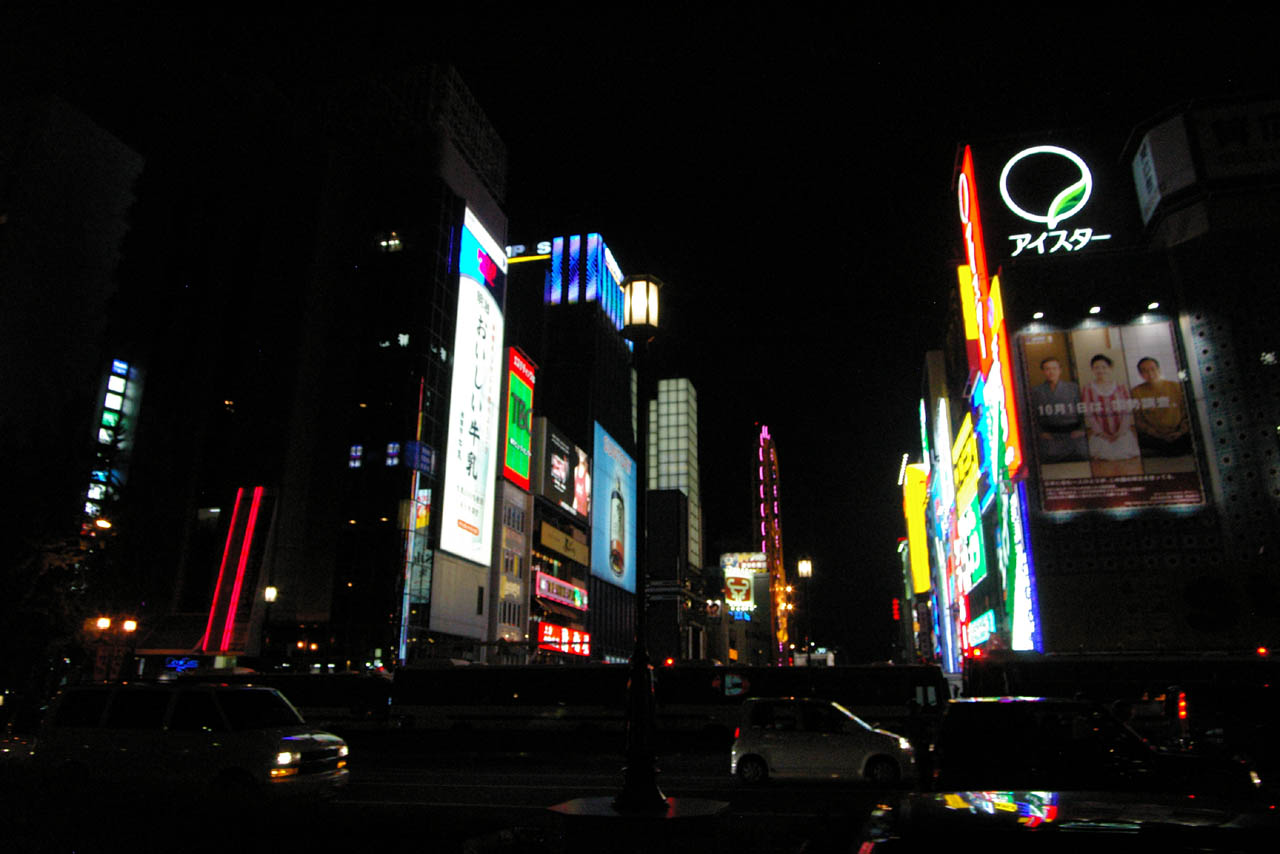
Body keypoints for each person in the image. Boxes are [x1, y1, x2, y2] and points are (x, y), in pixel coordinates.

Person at [1082, 354, 1141, 474]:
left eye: (1104, 367)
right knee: (1104, 457)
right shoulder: (1088, 388)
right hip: (1101, 434)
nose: (1100, 370)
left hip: (1121, 432)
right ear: (1092, 369)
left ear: (1110, 368)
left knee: (1124, 455)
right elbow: (1089, 413)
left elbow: (1127, 410)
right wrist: (1101, 433)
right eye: (1097, 367)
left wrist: (1121, 432)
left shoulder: (1120, 386)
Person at [1029, 357, 1088, 462]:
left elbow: (1084, 411)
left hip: (1073, 433)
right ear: (1043, 371)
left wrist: (1082, 430)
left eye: (1054, 368)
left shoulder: (1073, 388)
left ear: (1060, 370)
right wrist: (1040, 432)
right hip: (1049, 435)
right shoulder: (1036, 391)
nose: (1051, 372)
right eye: (1047, 369)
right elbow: (1033, 415)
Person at [1131, 357, 1192, 456]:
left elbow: (1187, 412)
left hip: (1178, 432)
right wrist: (1157, 434)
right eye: (1145, 371)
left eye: (1152, 369)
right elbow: (1138, 419)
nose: (1150, 373)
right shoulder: (1136, 392)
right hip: (1154, 435)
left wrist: (1181, 432)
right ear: (1140, 374)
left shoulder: (1176, 386)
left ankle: (1167, 450)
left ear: (1159, 370)